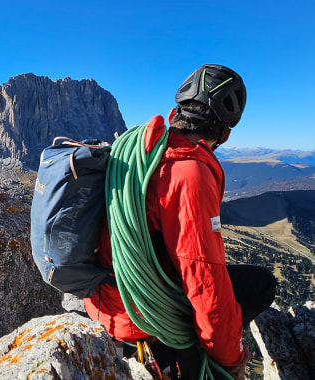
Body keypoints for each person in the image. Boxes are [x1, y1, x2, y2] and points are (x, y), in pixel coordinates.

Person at [84, 64, 276, 379]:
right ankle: (181, 353)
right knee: (260, 287)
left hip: (108, 301)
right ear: (225, 134)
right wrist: (232, 359)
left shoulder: (137, 149)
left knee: (255, 282)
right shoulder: (190, 172)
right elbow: (205, 280)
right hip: (143, 322)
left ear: (175, 112)